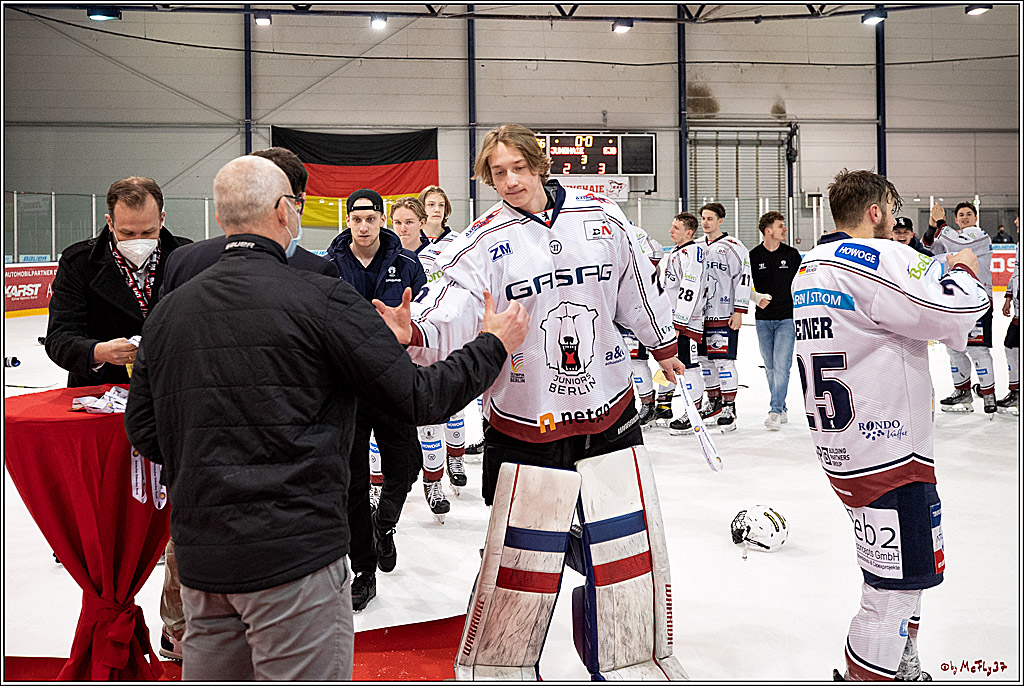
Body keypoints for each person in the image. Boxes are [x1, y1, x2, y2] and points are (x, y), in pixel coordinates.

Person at [124, 155, 526, 680]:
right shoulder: (321, 296)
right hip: (296, 559)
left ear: (221, 221)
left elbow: (146, 430)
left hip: (205, 561)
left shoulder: (170, 311)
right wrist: (491, 346)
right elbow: (417, 397)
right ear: (284, 212)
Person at [373, 123, 685, 679]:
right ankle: (502, 666)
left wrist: (663, 346)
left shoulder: (603, 220)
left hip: (608, 419)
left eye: (519, 167)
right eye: (498, 172)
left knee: (621, 560)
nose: (511, 181)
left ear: (541, 164)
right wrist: (413, 329)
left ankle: (624, 658)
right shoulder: (481, 241)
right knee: (520, 567)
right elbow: (453, 305)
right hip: (524, 429)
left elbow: (635, 289)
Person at [793, 169, 988, 681]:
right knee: (889, 596)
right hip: (890, 453)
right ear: (876, 212)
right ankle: (873, 674)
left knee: (905, 573)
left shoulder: (810, 265)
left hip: (847, 448)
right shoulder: (873, 258)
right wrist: (966, 270)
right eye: (893, 211)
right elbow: (957, 312)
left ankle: (903, 663)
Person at [151, 146, 337, 661]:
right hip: (289, 517)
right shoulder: (318, 279)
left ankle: (176, 632)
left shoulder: (184, 262)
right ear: (288, 204)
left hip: (202, 504)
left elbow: (149, 417)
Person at [327, 188, 427, 610]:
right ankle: (364, 570)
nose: (364, 226)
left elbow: (428, 313)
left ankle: (383, 525)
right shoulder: (328, 265)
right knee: (352, 482)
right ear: (348, 221)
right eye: (356, 219)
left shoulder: (407, 264)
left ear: (382, 220)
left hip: (393, 380)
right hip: (347, 387)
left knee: (406, 466)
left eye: (371, 218)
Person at [45, 176, 191, 388]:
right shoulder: (78, 263)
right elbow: (59, 338)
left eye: (148, 232)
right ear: (110, 222)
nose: (138, 241)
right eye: (127, 233)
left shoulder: (186, 257)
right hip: (102, 392)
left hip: (173, 388)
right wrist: (98, 352)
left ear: (161, 220)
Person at [388, 195, 466, 517]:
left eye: (409, 222)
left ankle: (438, 477)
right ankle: (378, 485)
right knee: (392, 421)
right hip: (397, 345)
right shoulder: (386, 255)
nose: (403, 229)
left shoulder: (447, 250)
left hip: (432, 341)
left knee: (438, 415)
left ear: (423, 223)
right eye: (398, 223)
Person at [418, 184, 476, 471]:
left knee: (454, 397)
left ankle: (457, 460)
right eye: (430, 204)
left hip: (449, 326)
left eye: (440, 205)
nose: (436, 209)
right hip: (418, 330)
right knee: (427, 398)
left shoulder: (457, 241)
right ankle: (431, 466)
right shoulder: (409, 242)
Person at [923, 201, 996, 413]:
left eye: (968, 214)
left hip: (978, 300)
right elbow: (929, 250)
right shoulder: (951, 236)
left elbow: (956, 245)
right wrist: (932, 228)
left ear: (975, 218)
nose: (964, 217)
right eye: (961, 215)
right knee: (954, 348)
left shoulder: (979, 235)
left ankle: (988, 395)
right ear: (956, 220)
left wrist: (940, 222)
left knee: (978, 349)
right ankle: (962, 393)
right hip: (955, 301)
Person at [694, 201, 752, 432]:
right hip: (699, 317)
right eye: (703, 218)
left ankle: (729, 405)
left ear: (720, 220)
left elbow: (744, 279)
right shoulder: (695, 246)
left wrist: (739, 310)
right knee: (704, 361)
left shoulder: (734, 246)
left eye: (710, 218)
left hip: (723, 313)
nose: (705, 223)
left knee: (723, 361)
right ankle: (714, 401)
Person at [656, 211, 710, 432]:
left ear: (689, 232)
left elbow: (690, 289)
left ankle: (693, 413)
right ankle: (662, 405)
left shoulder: (692, 253)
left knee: (688, 367)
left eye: (676, 228)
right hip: (673, 321)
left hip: (686, 324)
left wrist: (679, 323)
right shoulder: (678, 252)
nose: (671, 231)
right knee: (668, 362)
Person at [749, 211, 802, 431]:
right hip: (762, 320)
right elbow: (743, 285)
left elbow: (802, 282)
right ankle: (782, 405)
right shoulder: (753, 256)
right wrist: (756, 297)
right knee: (770, 367)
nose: (785, 229)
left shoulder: (792, 255)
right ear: (768, 230)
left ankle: (775, 410)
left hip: (787, 319)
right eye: (781, 226)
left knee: (782, 366)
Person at [998, 215, 1019, 411]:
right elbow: (1016, 273)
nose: (1015, 221)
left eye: (1018, 218)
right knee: (1010, 346)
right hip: (1018, 313)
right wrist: (1008, 297)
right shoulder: (1019, 245)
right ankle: (1016, 392)